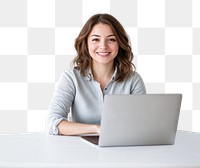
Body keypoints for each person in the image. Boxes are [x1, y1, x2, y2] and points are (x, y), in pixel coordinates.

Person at [47, 13, 146, 136]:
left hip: (122, 149)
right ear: (86, 43)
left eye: (111, 39)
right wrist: (97, 129)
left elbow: (142, 124)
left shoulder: (133, 80)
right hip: (81, 150)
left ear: (119, 43)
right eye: (95, 39)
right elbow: (53, 123)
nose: (103, 46)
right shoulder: (71, 78)